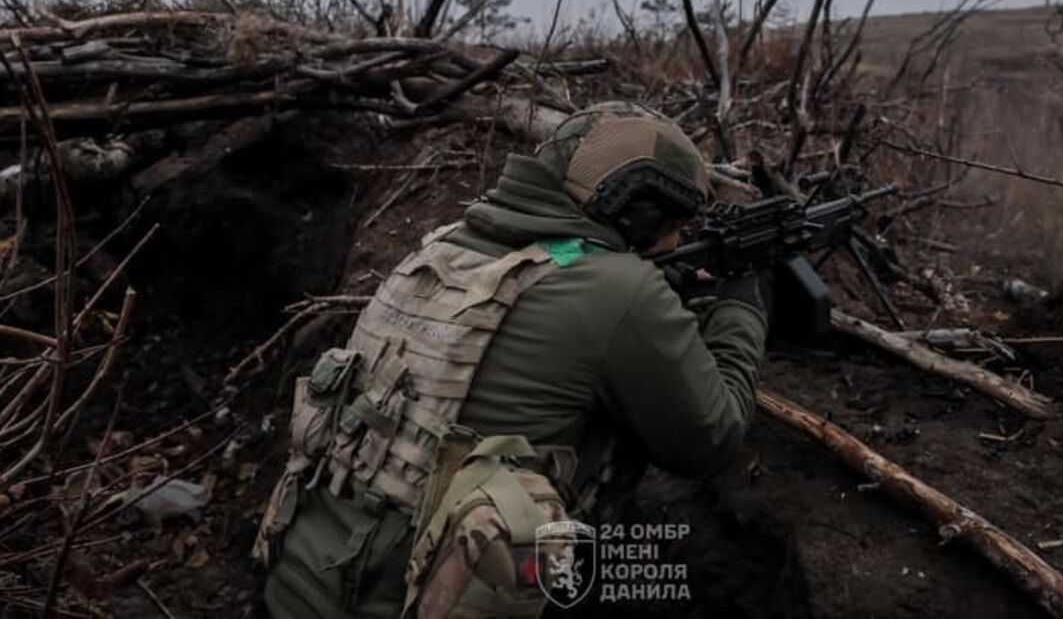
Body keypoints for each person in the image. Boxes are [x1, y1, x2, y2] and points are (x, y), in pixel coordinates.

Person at [256, 102, 768, 618]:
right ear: (637, 210)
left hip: (298, 586)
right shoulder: (619, 288)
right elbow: (713, 437)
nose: (679, 241)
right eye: (675, 222)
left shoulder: (441, 250)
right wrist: (743, 302)